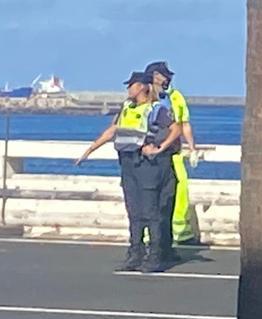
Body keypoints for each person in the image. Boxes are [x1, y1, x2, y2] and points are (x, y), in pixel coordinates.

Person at [76, 71, 181, 273]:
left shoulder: (156, 109)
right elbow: (113, 130)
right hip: (128, 164)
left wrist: (159, 147)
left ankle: (155, 256)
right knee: (134, 211)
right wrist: (89, 150)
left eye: (131, 85)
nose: (128, 89)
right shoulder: (126, 108)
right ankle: (135, 253)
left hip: (148, 166)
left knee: (151, 212)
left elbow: (176, 129)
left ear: (142, 86)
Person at [144, 61, 199, 253]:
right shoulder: (145, 98)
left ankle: (181, 232)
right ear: (155, 76)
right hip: (152, 154)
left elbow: (184, 124)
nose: (168, 78)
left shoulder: (175, 97)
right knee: (151, 195)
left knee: (181, 189)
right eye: (164, 75)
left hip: (174, 153)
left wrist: (192, 149)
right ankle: (150, 234)